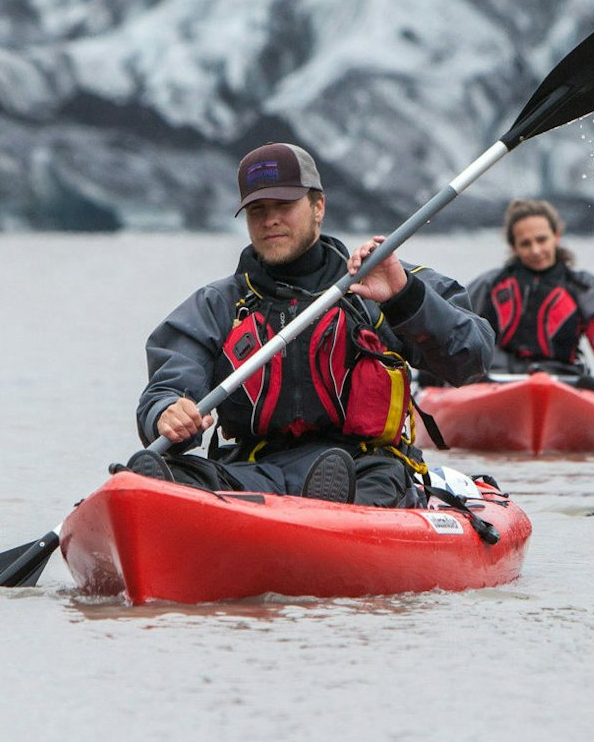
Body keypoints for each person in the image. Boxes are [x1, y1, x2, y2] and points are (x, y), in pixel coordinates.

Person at [124, 142, 493, 505]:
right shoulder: (217, 305)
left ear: (318, 207)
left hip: (367, 468)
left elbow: (471, 359)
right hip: (255, 470)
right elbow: (168, 385)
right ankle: (170, 505)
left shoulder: (384, 281)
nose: (270, 220)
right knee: (168, 471)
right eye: (257, 210)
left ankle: (329, 512)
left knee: (359, 483)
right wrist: (167, 413)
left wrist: (405, 297)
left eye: (284, 205)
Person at [463, 199, 594, 393]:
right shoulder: (489, 286)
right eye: (526, 244)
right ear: (514, 247)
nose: (536, 250)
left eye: (541, 240)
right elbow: (454, 330)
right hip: (496, 382)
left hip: (562, 383)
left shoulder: (582, 288)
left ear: (556, 236)